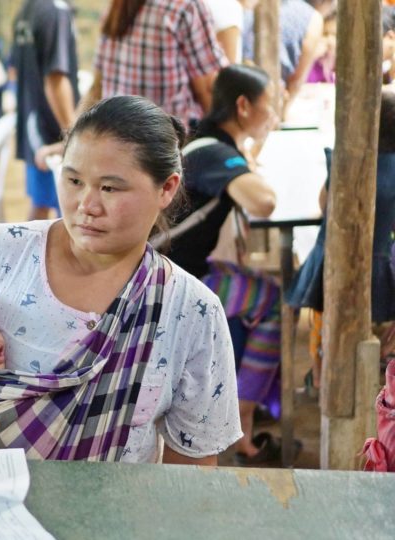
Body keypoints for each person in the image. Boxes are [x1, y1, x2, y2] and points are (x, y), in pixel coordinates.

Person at [0, 95, 241, 464]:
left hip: (111, 501)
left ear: (167, 189)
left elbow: (191, 467)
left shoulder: (192, 312)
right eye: (74, 180)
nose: (86, 205)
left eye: (110, 188)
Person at [157, 65, 286, 465]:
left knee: (259, 286)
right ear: (243, 106)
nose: (273, 115)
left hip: (176, 266)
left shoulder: (204, 140)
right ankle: (243, 423)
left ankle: (248, 405)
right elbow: (263, 201)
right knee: (272, 299)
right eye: (269, 105)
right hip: (170, 281)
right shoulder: (214, 152)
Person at [288, 91, 395, 387]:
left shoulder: (345, 159)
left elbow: (324, 204)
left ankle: (320, 370)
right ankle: (381, 366)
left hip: (331, 269)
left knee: (324, 316)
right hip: (383, 277)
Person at [78, 0, 227, 130]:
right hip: (167, 141)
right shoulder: (185, 5)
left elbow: (97, 87)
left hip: (115, 135)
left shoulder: (117, 6)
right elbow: (206, 89)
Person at [10, 0, 80, 219]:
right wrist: (73, 135)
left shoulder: (28, 8)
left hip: (33, 123)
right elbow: (55, 77)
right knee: (67, 211)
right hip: (51, 129)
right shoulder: (56, 11)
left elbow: (15, 68)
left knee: (40, 205)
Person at [243, 0, 324, 110]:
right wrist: (283, 112)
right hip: (269, 100)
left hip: (236, 96)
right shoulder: (312, 18)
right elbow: (295, 81)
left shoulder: (244, 4)